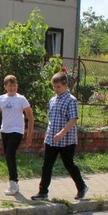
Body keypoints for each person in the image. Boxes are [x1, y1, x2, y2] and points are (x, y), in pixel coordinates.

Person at [31, 71, 88, 201]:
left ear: (65, 85)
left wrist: (62, 133)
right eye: (54, 87)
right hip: (52, 139)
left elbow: (73, 119)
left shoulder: (71, 100)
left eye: (58, 87)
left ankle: (82, 187)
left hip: (67, 140)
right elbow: (51, 119)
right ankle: (43, 191)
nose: (56, 89)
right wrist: (48, 134)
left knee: (69, 164)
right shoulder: (52, 100)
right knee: (47, 164)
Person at [0, 74, 34, 195]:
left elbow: (31, 118)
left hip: (17, 130)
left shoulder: (21, 99)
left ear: (17, 86)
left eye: (14, 85)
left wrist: (29, 135)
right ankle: (13, 182)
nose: (12, 88)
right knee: (8, 156)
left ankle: (13, 183)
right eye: (10, 85)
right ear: (5, 86)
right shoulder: (2, 99)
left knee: (10, 154)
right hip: (5, 130)